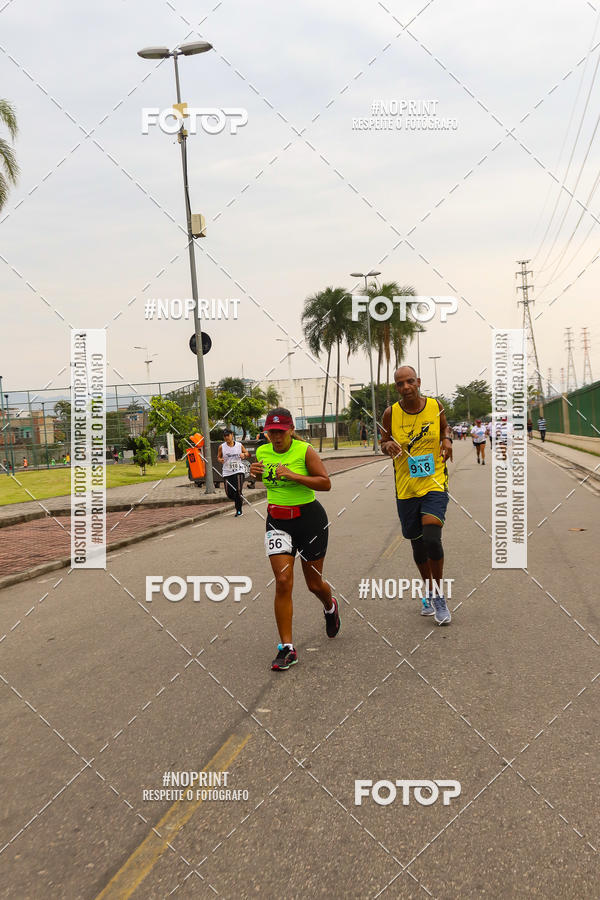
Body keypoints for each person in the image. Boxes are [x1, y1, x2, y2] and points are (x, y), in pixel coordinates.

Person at [249, 408, 339, 670]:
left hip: (309, 520)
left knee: (314, 584)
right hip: (277, 520)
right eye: (271, 432)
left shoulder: (304, 450)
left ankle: (330, 606)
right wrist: (254, 473)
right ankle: (287, 648)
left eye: (280, 432)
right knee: (283, 581)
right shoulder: (263, 451)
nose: (276, 437)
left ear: (291, 430)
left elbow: (325, 483)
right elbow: (263, 478)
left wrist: (293, 475)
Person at [380, 366, 453, 625]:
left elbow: (445, 428)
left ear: (418, 382)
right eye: (400, 384)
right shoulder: (390, 413)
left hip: (434, 482)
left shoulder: (435, 406)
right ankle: (429, 590)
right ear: (396, 388)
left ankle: (439, 595)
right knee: (418, 543)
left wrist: (447, 440)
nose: (406, 387)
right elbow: (383, 442)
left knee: (432, 537)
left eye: (410, 381)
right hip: (406, 487)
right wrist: (387, 444)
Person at [218, 429, 250, 516]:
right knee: (229, 494)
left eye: (228, 435)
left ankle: (239, 510)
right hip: (227, 472)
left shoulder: (239, 445)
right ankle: (239, 498)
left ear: (232, 435)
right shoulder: (221, 447)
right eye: (225, 436)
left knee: (238, 490)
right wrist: (220, 460)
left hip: (238, 470)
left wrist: (244, 455)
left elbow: (247, 453)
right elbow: (218, 457)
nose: (226, 437)